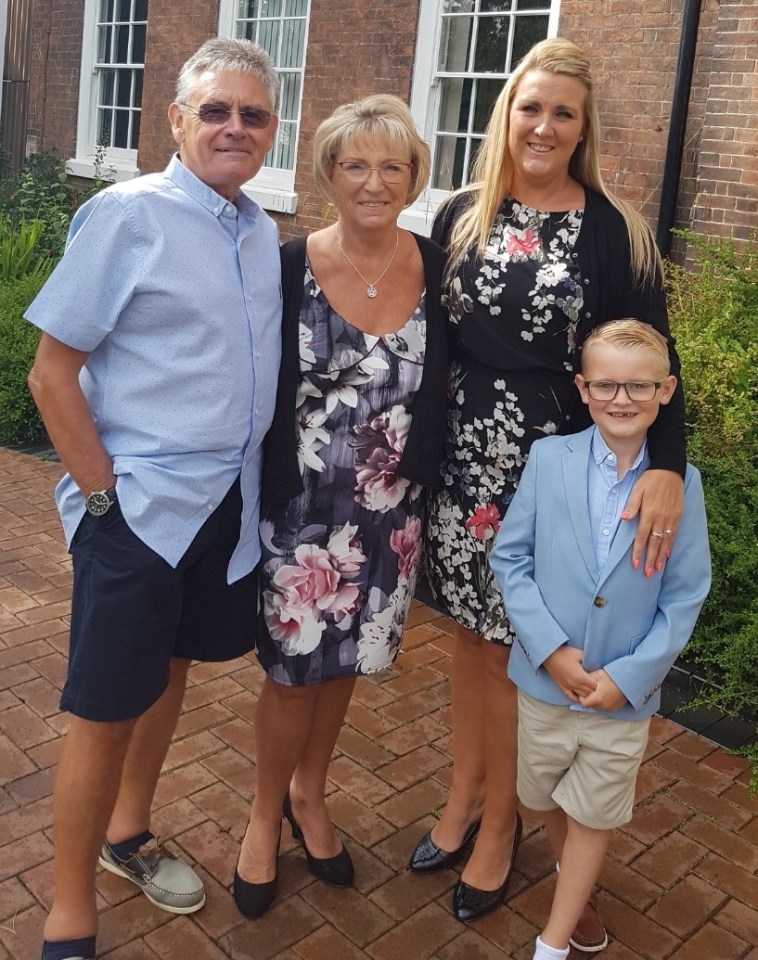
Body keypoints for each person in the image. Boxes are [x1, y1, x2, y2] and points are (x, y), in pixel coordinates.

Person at [410, 37, 688, 938]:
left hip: (558, 470)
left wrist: (668, 472)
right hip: (464, 462)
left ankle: (501, 830)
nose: (544, 124)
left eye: (562, 111)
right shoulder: (459, 212)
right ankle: (462, 801)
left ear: (583, 127)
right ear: (507, 114)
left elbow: (655, 359)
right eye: (530, 106)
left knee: (516, 652)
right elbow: (431, 350)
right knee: (468, 644)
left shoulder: (614, 230)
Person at [25, 38, 282, 960]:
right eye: (214, 110)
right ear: (175, 120)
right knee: (101, 707)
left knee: (168, 676)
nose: (233, 127)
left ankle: (128, 833)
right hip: (136, 507)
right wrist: (102, 505)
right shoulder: (126, 215)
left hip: (226, 509)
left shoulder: (258, 231)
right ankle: (67, 909)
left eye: (252, 114)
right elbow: (52, 373)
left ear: (271, 129)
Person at [232, 94, 448, 919]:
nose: (373, 181)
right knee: (293, 674)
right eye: (355, 164)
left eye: (391, 166)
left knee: (346, 666)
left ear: (413, 177)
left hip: (391, 515)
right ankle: (262, 813)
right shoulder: (286, 265)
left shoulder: (434, 265)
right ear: (327, 173)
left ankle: (310, 798)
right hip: (303, 511)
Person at [489, 319, 710, 959]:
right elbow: (512, 560)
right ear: (583, 389)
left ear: (666, 391)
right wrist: (550, 650)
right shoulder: (548, 460)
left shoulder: (681, 485)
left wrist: (632, 676)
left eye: (639, 387)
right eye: (607, 385)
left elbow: (685, 592)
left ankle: (552, 942)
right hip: (544, 681)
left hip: (621, 695)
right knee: (545, 797)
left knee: (593, 813)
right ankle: (571, 879)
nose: (623, 399)